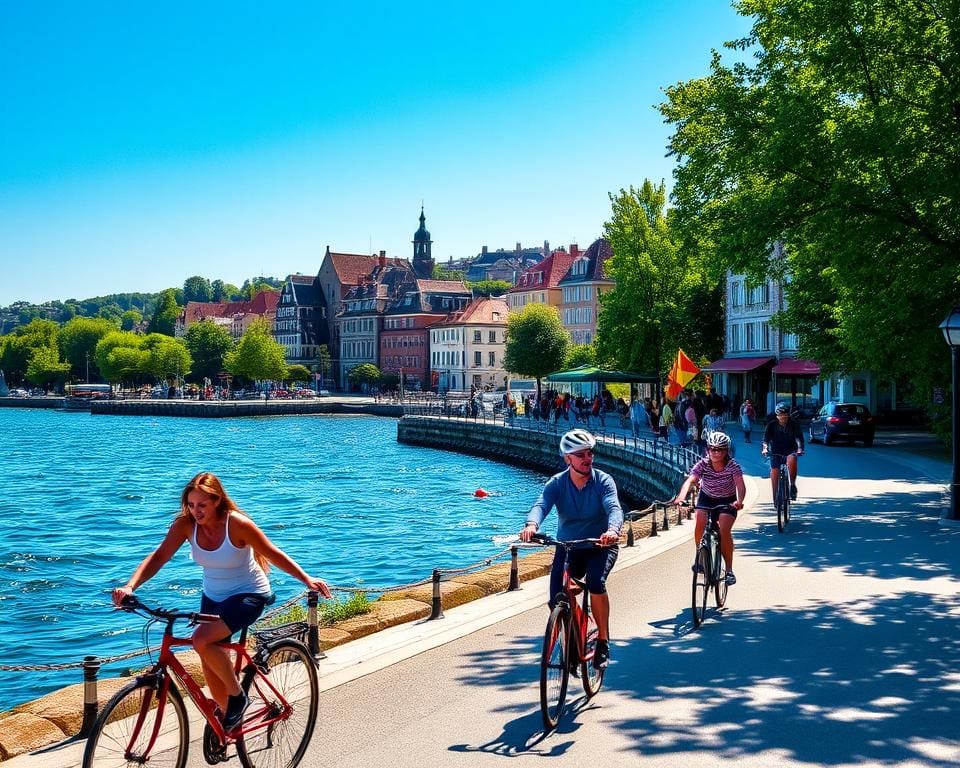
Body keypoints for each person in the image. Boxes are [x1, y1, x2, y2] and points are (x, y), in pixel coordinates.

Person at [112, 472, 331, 732]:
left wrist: (306, 579)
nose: (196, 511)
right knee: (208, 657)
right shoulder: (185, 525)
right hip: (213, 597)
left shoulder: (237, 524)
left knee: (201, 639)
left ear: (217, 501)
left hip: (249, 594)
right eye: (191, 505)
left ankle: (238, 697)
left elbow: (272, 553)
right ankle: (227, 721)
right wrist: (130, 586)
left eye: (202, 505)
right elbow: (159, 557)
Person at [520, 429, 622, 669]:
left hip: (600, 545)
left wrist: (613, 530)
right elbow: (541, 504)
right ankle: (576, 626)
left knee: (596, 583)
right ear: (567, 459)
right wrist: (531, 525)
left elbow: (614, 507)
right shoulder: (557, 483)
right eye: (580, 455)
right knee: (556, 598)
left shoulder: (603, 481)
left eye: (590, 453)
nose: (587, 458)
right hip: (568, 547)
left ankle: (603, 642)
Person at [673, 431, 746, 585]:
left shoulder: (733, 466)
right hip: (707, 498)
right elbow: (691, 480)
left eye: (719, 449)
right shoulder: (703, 464)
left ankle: (729, 570)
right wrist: (681, 497)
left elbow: (740, 485)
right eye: (712, 449)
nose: (715, 452)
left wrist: (739, 501)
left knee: (724, 529)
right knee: (700, 519)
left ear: (726, 451)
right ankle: (700, 556)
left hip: (727, 501)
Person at [762, 402, 805, 500]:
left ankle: (793, 485)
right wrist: (765, 448)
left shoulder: (794, 424)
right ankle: (775, 495)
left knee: (792, 459)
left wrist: (799, 449)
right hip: (775, 450)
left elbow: (798, 438)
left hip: (790, 449)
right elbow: (766, 440)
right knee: (774, 470)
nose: (783, 418)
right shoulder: (771, 425)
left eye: (785, 416)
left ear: (788, 415)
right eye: (780, 416)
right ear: (777, 415)